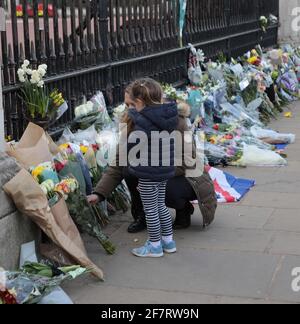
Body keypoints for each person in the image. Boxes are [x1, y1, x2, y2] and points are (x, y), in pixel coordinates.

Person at [88, 84, 217, 233]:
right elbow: (118, 163)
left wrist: (151, 173)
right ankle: (141, 214)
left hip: (185, 177)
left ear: (148, 103)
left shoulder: (176, 121)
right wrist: (99, 194)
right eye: (126, 104)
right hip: (152, 171)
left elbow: (187, 160)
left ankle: (183, 209)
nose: (129, 109)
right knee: (129, 169)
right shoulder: (128, 123)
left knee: (161, 186)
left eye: (133, 104)